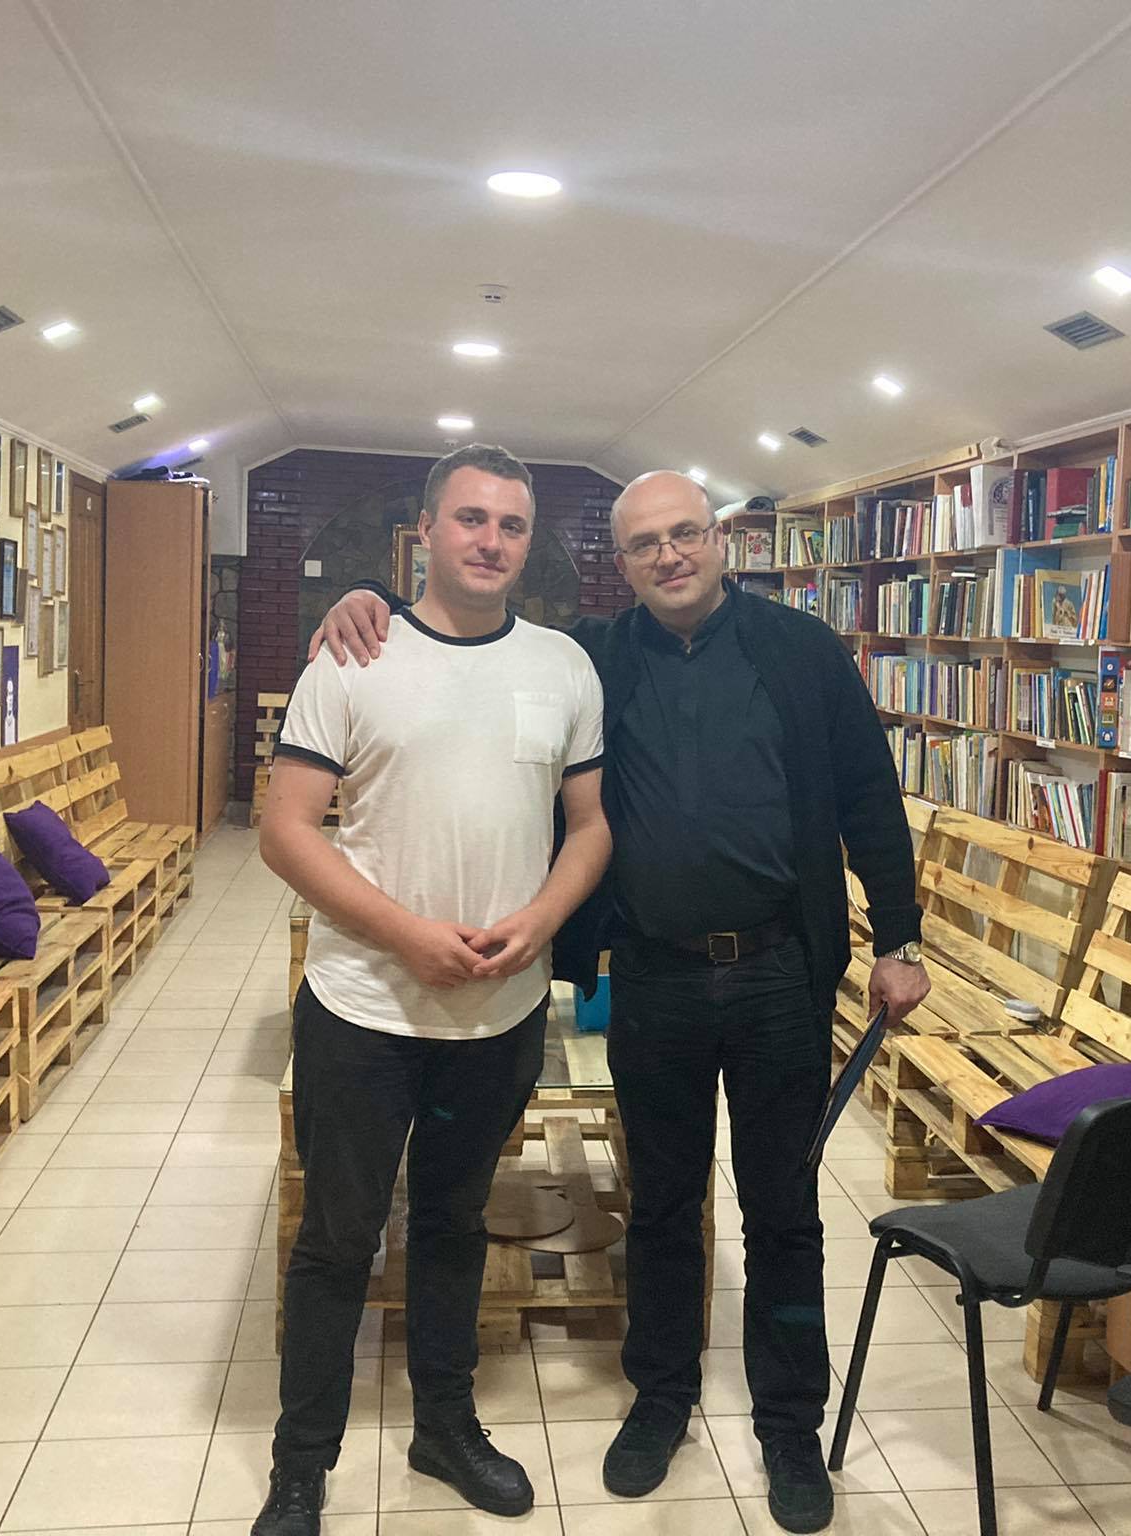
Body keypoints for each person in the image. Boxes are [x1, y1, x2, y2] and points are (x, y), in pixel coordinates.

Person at [313, 469, 929, 1534]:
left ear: (719, 540)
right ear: (622, 562)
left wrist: (900, 935)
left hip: (779, 974)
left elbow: (869, 797)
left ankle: (789, 1426)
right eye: (644, 544)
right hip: (655, 975)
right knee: (661, 1204)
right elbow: (476, 625)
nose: (668, 556)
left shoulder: (801, 651)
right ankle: (661, 1399)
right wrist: (367, 594)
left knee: (783, 1212)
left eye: (684, 534)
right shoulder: (592, 657)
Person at [255, 444, 611, 1536]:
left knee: (456, 1225)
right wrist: (406, 936)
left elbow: (590, 826)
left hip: (497, 1015)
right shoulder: (352, 656)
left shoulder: (563, 666)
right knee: (338, 1238)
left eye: (510, 524)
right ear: (424, 531)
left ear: (527, 541)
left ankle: (444, 1427)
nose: (489, 541)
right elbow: (284, 829)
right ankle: (300, 1466)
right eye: (469, 518)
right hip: (363, 1009)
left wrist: (541, 922)